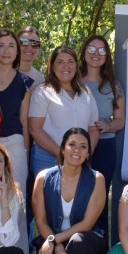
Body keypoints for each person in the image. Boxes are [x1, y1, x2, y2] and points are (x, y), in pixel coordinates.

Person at [32, 128, 108, 254]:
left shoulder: (96, 179)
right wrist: (56, 245)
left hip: (87, 241)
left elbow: (87, 224)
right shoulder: (43, 178)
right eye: (72, 145)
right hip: (52, 239)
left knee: (79, 240)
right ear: (63, 148)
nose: (77, 151)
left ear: (88, 153)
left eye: (83, 147)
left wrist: (54, 241)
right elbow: (40, 220)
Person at [28, 46, 100, 182]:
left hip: (79, 160)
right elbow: (35, 129)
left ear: (76, 66)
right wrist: (62, 154)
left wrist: (85, 153)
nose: (66, 66)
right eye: (60, 62)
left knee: (77, 201)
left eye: (70, 61)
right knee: (48, 202)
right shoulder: (42, 92)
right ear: (52, 67)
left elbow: (94, 128)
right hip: (48, 158)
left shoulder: (85, 92)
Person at [0, 28, 35, 250]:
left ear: (17, 50)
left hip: (15, 144)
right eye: (1, 45)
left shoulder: (24, 82)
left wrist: (25, 153)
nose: (6, 50)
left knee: (17, 202)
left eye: (11, 46)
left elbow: (25, 121)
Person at [80, 34, 125, 239]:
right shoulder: (73, 79)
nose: (96, 54)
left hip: (105, 148)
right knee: (78, 196)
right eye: (91, 49)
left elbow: (120, 120)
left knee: (99, 198)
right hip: (76, 148)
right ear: (84, 52)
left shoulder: (113, 85)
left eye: (101, 50)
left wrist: (107, 126)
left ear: (107, 55)